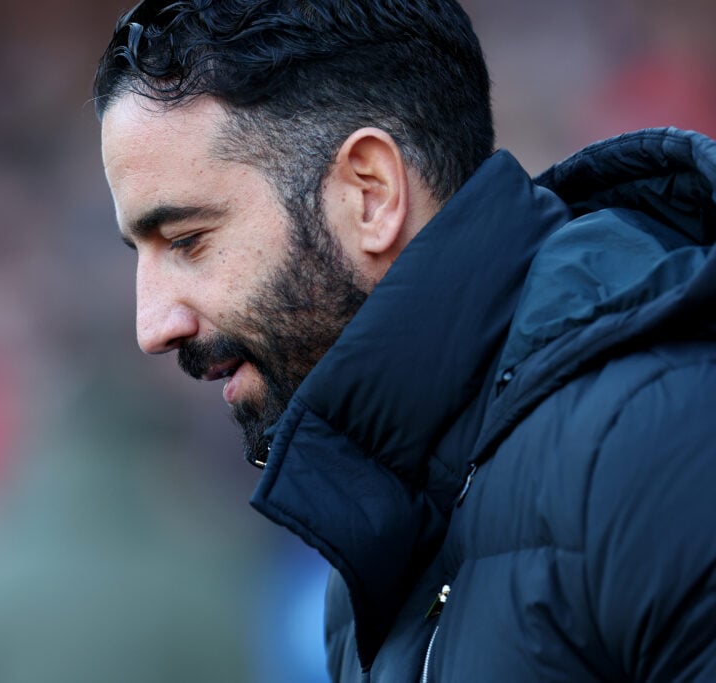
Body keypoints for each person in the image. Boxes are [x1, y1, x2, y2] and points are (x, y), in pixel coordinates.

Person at [93, 1, 716, 680]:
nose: (151, 326)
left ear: (371, 193)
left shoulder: (668, 436)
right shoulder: (372, 557)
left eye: (188, 240)